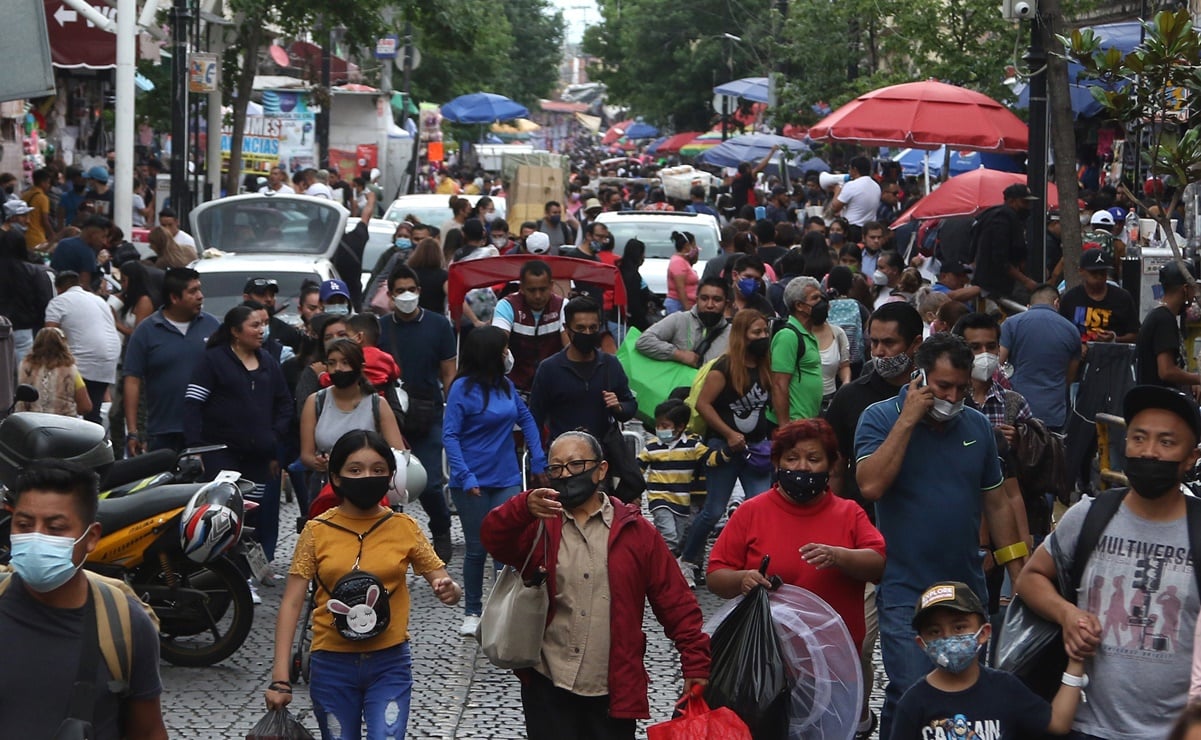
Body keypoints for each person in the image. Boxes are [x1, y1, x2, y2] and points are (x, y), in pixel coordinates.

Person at [480, 431, 711, 739]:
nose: (565, 475)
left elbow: (675, 601)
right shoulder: (539, 523)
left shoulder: (636, 533)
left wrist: (695, 662)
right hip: (548, 681)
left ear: (601, 470)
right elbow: (493, 538)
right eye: (556, 468)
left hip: (611, 687)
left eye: (576, 465)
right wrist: (521, 507)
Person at [855, 332, 1027, 738]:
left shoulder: (978, 427)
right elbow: (871, 486)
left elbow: (998, 504)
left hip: (965, 589)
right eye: (943, 386)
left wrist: (1019, 575)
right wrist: (908, 418)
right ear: (919, 377)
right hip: (904, 588)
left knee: (964, 697)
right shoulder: (879, 418)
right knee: (913, 689)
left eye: (961, 388)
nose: (952, 397)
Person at [1017, 385, 1201, 740]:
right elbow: (1032, 577)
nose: (1148, 452)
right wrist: (1066, 614)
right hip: (1086, 725)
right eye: (1139, 438)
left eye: (1166, 442)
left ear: (1191, 457)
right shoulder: (1088, 516)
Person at [267, 430, 462, 739]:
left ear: (391, 476)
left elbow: (441, 579)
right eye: (355, 470)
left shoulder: (404, 527)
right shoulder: (316, 532)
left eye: (378, 470)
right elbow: (291, 603)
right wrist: (280, 677)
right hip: (330, 665)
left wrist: (449, 589)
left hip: (390, 663)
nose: (367, 476)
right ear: (337, 477)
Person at [0, 460, 166, 739]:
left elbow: (148, 731)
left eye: (55, 528)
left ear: (91, 537)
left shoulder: (126, 624)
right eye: (24, 524)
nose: (36, 538)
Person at [707, 418, 885, 650]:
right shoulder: (751, 511)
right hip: (766, 652)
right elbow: (715, 576)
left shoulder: (849, 513)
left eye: (813, 459)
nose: (802, 467)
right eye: (791, 458)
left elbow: (878, 564)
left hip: (835, 655)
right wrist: (743, 579)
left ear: (831, 465)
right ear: (777, 463)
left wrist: (839, 557)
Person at [443, 326, 548, 636]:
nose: (508, 355)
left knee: (508, 546)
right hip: (472, 481)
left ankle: (505, 607)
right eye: (504, 350)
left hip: (506, 477)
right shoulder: (461, 388)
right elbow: (450, 435)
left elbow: (526, 418)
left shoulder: (506, 386)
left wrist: (539, 457)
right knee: (477, 548)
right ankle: (473, 610)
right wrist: (464, 474)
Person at [890, 581, 1085, 739]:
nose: (947, 637)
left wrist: (1076, 661)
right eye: (935, 631)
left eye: (959, 627)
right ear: (922, 643)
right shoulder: (913, 704)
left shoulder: (1005, 688)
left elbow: (1057, 723)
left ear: (984, 633)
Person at [183, 305, 293, 562]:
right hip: (221, 453)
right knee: (222, 513)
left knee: (251, 514)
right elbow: (193, 403)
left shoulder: (268, 363)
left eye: (262, 325)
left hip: (259, 456)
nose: (261, 331)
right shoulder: (213, 361)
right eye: (254, 325)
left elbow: (285, 403)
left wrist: (274, 435)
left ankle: (246, 574)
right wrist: (195, 446)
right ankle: (221, 570)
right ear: (235, 331)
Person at [679, 309, 776, 581]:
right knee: (713, 510)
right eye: (756, 332)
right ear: (742, 336)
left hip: (755, 449)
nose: (763, 337)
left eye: (765, 332)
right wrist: (729, 434)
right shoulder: (724, 367)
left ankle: (755, 563)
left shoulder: (764, 366)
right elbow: (703, 404)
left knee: (761, 506)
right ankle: (687, 558)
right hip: (723, 447)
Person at [378, 265, 457, 563]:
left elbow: (449, 373)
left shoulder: (438, 326)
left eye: (411, 289)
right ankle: (389, 541)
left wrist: (453, 413)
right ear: (390, 295)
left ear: (420, 291)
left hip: (429, 412)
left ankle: (441, 529)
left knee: (430, 482)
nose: (406, 295)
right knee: (387, 482)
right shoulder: (382, 328)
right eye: (400, 291)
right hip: (390, 414)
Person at [123, 268, 220, 454]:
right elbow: (132, 380)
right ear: (174, 298)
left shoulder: (213, 327)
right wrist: (133, 432)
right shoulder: (146, 331)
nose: (200, 296)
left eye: (200, 289)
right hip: (161, 432)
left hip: (206, 430)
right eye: (192, 291)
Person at [529, 296, 637, 442]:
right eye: (580, 328)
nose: (587, 333)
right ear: (567, 329)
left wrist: (618, 407)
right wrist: (537, 456)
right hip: (564, 457)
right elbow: (535, 417)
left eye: (593, 328)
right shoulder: (549, 369)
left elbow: (630, 406)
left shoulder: (610, 364)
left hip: (604, 455)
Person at [299, 337, 406, 483]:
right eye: (332, 363)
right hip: (327, 486)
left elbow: (398, 453)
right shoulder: (315, 402)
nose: (338, 368)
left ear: (360, 367)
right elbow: (306, 455)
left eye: (345, 362)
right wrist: (319, 463)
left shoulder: (378, 404)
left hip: (368, 485)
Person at [999, 283, 1081, 430]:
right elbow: (1070, 377)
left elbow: (998, 363)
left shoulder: (1011, 324)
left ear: (1029, 305)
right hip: (1053, 413)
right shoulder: (1071, 330)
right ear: (1056, 303)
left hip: (1017, 411)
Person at [44, 271, 122, 424]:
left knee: (70, 412)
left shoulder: (59, 301)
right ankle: (95, 444)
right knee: (93, 411)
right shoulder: (98, 299)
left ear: (58, 288)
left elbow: (49, 337)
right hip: (109, 358)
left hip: (84, 359)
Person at [638, 399, 710, 564]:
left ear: (680, 427)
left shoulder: (692, 446)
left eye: (665, 426)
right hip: (659, 499)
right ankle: (662, 568)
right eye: (658, 426)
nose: (659, 430)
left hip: (682, 501)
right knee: (669, 536)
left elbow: (710, 458)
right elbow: (637, 468)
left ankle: (667, 565)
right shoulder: (651, 447)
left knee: (678, 538)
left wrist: (727, 453)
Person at [492, 259, 566, 395]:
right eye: (531, 290)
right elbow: (498, 345)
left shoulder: (563, 306)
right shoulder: (506, 305)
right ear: (521, 287)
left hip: (553, 389)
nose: (538, 296)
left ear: (551, 286)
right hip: (515, 389)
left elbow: (570, 348)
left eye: (543, 289)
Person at [637, 277, 731, 370]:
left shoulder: (732, 333)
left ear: (726, 304)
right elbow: (643, 341)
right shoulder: (679, 319)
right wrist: (678, 354)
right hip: (677, 383)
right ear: (697, 300)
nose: (710, 305)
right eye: (704, 299)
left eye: (717, 300)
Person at [769, 276, 825, 425]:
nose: (822, 303)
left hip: (806, 422)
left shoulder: (807, 334)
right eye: (815, 298)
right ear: (799, 305)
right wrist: (785, 428)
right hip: (793, 424)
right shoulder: (788, 336)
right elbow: (779, 385)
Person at [1137, 261, 1201, 391]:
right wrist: (1198, 379)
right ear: (1185, 289)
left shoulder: (1160, 315)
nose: (1194, 294)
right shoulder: (1164, 320)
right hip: (1160, 402)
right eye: (1193, 289)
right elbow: (1166, 371)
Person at [971, 184, 1039, 303]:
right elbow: (999, 259)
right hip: (995, 286)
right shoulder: (1001, 219)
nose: (1028, 207)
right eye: (1024, 202)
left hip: (998, 284)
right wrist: (1026, 281)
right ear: (1011, 201)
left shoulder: (1004, 217)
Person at [1058, 249, 1140, 343]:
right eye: (1093, 272)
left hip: (1113, 355)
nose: (1099, 276)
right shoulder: (1070, 298)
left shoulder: (1122, 298)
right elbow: (1061, 333)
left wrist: (1114, 339)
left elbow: (1135, 335)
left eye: (1102, 272)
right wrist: (1077, 347)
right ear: (1081, 271)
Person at [17, 327, 92, 418]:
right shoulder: (70, 370)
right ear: (63, 345)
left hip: (28, 424)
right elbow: (85, 407)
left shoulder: (24, 367)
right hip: (62, 426)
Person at [829, 157, 881, 242]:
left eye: (850, 169)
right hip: (868, 229)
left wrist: (836, 190)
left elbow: (835, 207)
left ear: (855, 169)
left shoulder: (851, 185)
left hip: (852, 229)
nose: (849, 172)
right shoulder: (876, 186)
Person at [51, 215, 108, 291]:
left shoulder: (63, 243)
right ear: (93, 234)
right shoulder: (87, 253)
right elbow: (84, 287)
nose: (104, 242)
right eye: (103, 236)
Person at [664, 230, 699, 314]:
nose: (696, 247)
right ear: (687, 245)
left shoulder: (684, 261)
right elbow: (680, 287)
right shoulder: (678, 262)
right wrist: (687, 308)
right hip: (679, 306)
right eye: (694, 245)